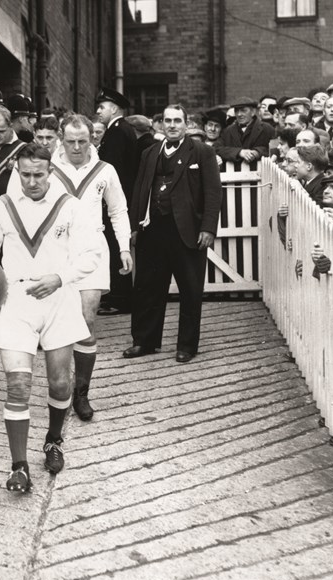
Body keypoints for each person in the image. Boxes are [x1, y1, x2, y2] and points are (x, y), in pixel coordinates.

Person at [0, 142, 100, 492]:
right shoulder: (3, 207)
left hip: (58, 298)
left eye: (39, 174)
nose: (33, 181)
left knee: (59, 383)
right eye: (26, 175)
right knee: (19, 385)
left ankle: (53, 439)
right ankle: (18, 466)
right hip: (15, 300)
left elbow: (91, 255)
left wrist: (60, 277)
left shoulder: (70, 207)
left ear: (51, 171)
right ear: (17, 172)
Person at [47, 114, 132, 421]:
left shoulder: (104, 170)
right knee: (57, 323)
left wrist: (123, 247)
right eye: (71, 141)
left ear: (92, 139)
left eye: (83, 141)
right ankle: (60, 386)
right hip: (56, 251)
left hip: (92, 249)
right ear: (61, 138)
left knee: (86, 317)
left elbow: (118, 210)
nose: (78, 147)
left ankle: (81, 392)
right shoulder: (49, 170)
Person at [125, 105, 222, 363]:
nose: (172, 125)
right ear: (160, 124)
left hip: (187, 231)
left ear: (186, 124)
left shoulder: (202, 152)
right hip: (152, 229)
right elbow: (140, 189)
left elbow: (213, 193)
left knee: (190, 289)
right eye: (167, 120)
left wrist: (208, 228)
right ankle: (144, 341)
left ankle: (186, 346)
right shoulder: (149, 153)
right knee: (147, 287)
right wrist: (134, 225)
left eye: (177, 121)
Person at [95, 87, 139, 315]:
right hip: (120, 197)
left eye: (102, 107)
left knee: (115, 246)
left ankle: (119, 298)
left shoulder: (118, 131)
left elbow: (113, 170)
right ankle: (117, 296)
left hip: (115, 199)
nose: (98, 111)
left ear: (114, 109)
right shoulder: (121, 129)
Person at [214, 96, 275, 164]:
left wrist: (257, 152)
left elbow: (275, 150)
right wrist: (239, 152)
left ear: (253, 112)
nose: (239, 114)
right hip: (233, 173)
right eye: (236, 110)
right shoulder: (228, 131)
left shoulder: (267, 129)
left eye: (243, 110)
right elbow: (216, 149)